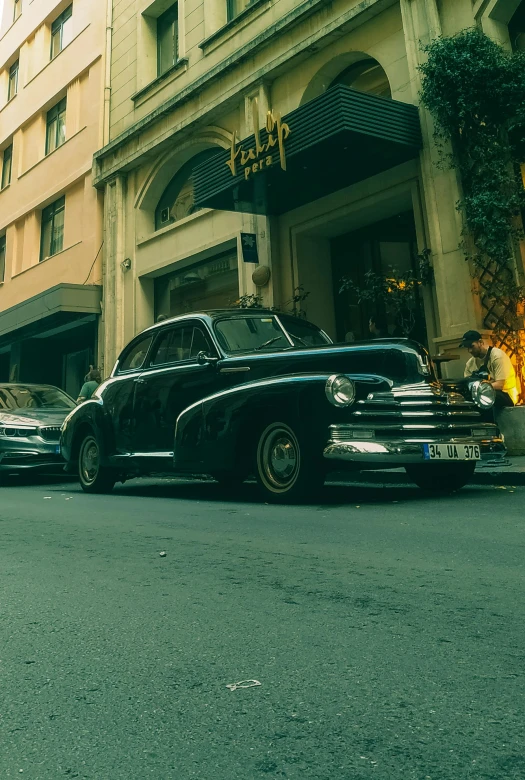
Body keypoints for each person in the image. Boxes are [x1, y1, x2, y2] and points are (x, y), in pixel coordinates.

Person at [461, 330, 518, 407]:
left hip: (505, 394)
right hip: (481, 392)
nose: (470, 350)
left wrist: (478, 387)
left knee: (483, 397)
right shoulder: (470, 364)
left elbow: (499, 385)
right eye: (467, 348)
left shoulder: (497, 356)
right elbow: (467, 385)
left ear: (480, 342)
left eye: (472, 346)